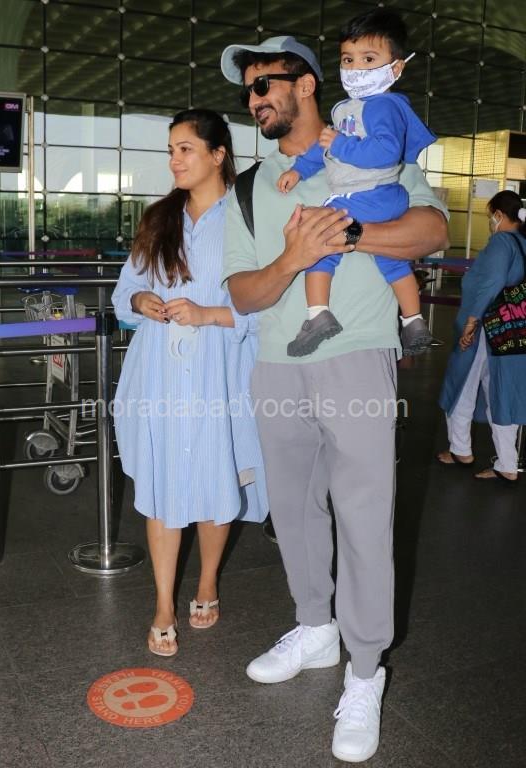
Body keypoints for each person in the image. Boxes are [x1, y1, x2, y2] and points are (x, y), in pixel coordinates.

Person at [220, 27, 448, 764]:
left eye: (265, 84)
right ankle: (315, 627)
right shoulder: (251, 187)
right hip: (276, 363)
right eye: (247, 90)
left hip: (356, 356)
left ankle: (365, 669)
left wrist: (348, 235)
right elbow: (242, 292)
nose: (254, 99)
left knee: (363, 517)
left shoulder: (372, 147)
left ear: (307, 84)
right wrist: (294, 256)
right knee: (292, 512)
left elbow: (430, 230)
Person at [112, 108, 268, 657]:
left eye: (185, 149)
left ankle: (206, 583)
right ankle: (162, 604)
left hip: (219, 371)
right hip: (159, 371)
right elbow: (123, 293)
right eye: (171, 151)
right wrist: (140, 299)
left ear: (218, 155)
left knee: (216, 478)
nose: (175, 161)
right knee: (161, 483)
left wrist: (210, 315)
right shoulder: (159, 219)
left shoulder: (248, 220)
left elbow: (269, 304)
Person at [275, 9, 436, 358]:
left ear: (396, 68)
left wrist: (341, 145)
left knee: (316, 238)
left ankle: (317, 315)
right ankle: (414, 321)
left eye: (369, 59)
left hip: (367, 193)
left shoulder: (384, 106)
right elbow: (323, 147)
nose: (356, 68)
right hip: (381, 198)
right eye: (348, 59)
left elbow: (386, 151)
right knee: (393, 262)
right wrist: (300, 169)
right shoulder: (347, 108)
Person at [438, 190, 526, 483]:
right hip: (513, 331)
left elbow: (491, 281)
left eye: (491, 215)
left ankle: (460, 449)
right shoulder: (523, 243)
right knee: (501, 392)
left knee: (462, 383)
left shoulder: (502, 242)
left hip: (487, 328)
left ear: (499, 215)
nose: (490, 221)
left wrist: (471, 321)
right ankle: (507, 464)